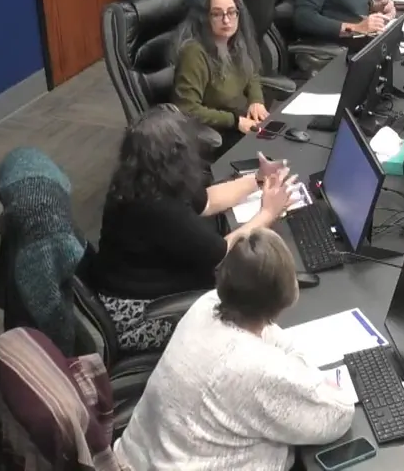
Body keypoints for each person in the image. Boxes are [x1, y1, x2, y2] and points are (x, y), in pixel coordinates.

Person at [117, 227, 356, 471]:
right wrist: (304, 372)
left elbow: (271, 335)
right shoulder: (253, 369)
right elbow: (338, 415)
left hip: (140, 457)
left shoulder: (208, 304)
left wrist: (291, 365)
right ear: (285, 297)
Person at [83, 105, 294, 353]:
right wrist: (268, 213)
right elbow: (222, 252)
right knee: (254, 315)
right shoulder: (156, 207)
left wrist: (258, 179)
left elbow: (208, 201)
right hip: (140, 316)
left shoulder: (142, 178)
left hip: (139, 291)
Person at [173, 0, 267, 147]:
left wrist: (256, 100)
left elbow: (251, 74)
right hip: (219, 134)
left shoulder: (235, 42)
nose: (226, 20)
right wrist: (234, 121)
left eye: (231, 12)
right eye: (217, 14)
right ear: (205, 18)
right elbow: (187, 108)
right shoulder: (193, 53)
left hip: (243, 122)